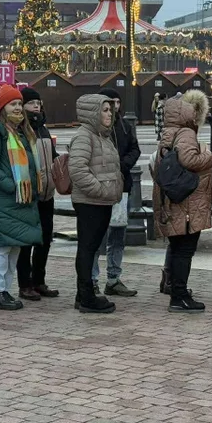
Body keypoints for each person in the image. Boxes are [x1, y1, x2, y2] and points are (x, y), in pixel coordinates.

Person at [0, 84, 42, 311]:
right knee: (2, 248)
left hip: (22, 200)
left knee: (14, 248)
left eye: (19, 104)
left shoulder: (22, 132)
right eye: (13, 104)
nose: (18, 108)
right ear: (3, 108)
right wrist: (12, 186)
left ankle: (5, 290)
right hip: (7, 200)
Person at [152, 91, 212, 313]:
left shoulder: (169, 132)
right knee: (185, 250)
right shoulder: (186, 133)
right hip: (187, 203)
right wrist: (207, 154)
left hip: (174, 200)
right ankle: (179, 295)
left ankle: (178, 291)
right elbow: (189, 160)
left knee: (178, 248)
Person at [69, 93, 123, 313]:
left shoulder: (104, 136)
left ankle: (84, 294)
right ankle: (86, 297)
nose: (109, 114)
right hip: (90, 202)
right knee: (87, 248)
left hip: (102, 202)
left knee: (91, 249)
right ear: (93, 113)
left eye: (110, 110)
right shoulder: (85, 136)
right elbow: (78, 169)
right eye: (104, 110)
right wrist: (100, 190)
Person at [91, 87, 141, 297]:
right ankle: (92, 279)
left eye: (117, 103)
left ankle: (113, 278)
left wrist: (122, 165)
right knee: (96, 236)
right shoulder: (95, 128)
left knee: (118, 234)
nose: (114, 107)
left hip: (122, 186)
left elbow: (134, 149)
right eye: (110, 103)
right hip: (100, 188)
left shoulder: (125, 126)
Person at [16, 87, 59, 300]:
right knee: (26, 241)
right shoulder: (20, 129)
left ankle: (39, 280)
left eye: (38, 102)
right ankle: (25, 284)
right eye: (32, 103)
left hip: (46, 193)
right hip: (29, 194)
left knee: (44, 239)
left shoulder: (43, 128)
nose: (36, 106)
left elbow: (51, 155)